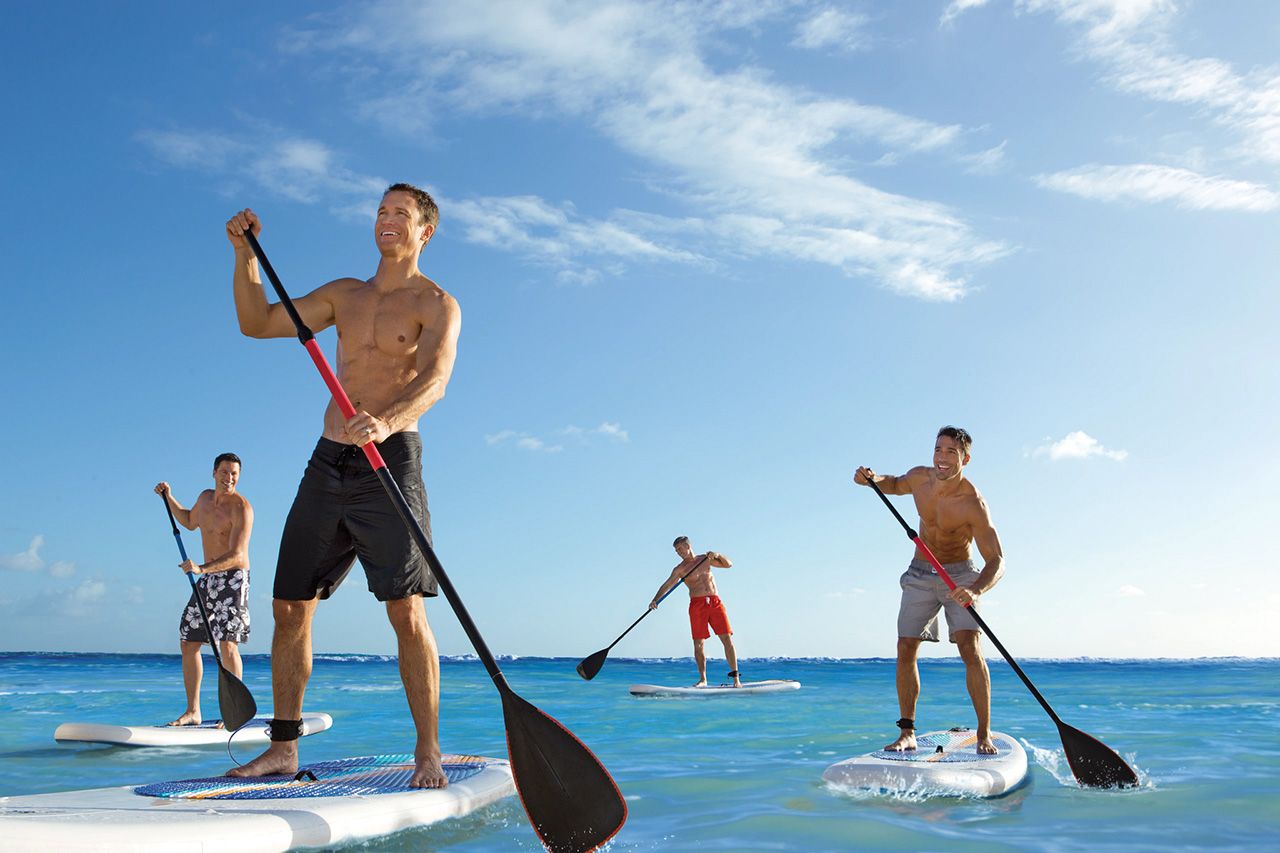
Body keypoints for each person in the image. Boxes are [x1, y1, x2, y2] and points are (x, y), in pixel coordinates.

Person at [224, 183, 461, 788]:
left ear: (425, 231)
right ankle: (283, 748)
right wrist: (245, 256)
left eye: (400, 213)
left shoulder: (436, 303)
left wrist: (388, 419)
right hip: (329, 460)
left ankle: (428, 751)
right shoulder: (344, 295)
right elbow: (257, 322)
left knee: (405, 609)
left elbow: (436, 380)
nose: (386, 220)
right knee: (288, 607)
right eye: (381, 211)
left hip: (392, 459)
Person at [854, 425, 1005, 754]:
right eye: (938, 449)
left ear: (965, 459)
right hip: (920, 572)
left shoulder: (973, 503)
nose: (942, 457)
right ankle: (906, 732)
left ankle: (983, 734)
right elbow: (895, 484)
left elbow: (996, 560)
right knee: (905, 646)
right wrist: (872, 479)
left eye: (951, 452)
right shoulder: (920, 478)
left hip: (960, 575)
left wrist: (975, 590)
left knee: (969, 647)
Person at [154, 452, 253, 727]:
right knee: (188, 641)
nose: (229, 478)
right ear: (214, 473)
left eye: (234, 474)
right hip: (207, 576)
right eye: (224, 472)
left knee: (228, 645)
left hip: (233, 579)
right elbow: (188, 521)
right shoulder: (205, 499)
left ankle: (234, 711)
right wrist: (168, 498)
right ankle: (193, 711)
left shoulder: (242, 508)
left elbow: (238, 554)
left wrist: (201, 568)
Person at [649, 536, 742, 688]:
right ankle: (703, 680)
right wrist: (655, 600)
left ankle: (736, 679)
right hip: (697, 605)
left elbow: (728, 565)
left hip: (715, 602)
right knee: (698, 643)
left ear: (688, 546)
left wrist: (717, 555)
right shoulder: (680, 569)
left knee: (727, 638)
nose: (678, 552)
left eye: (680, 549)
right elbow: (667, 585)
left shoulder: (705, 559)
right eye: (676, 551)